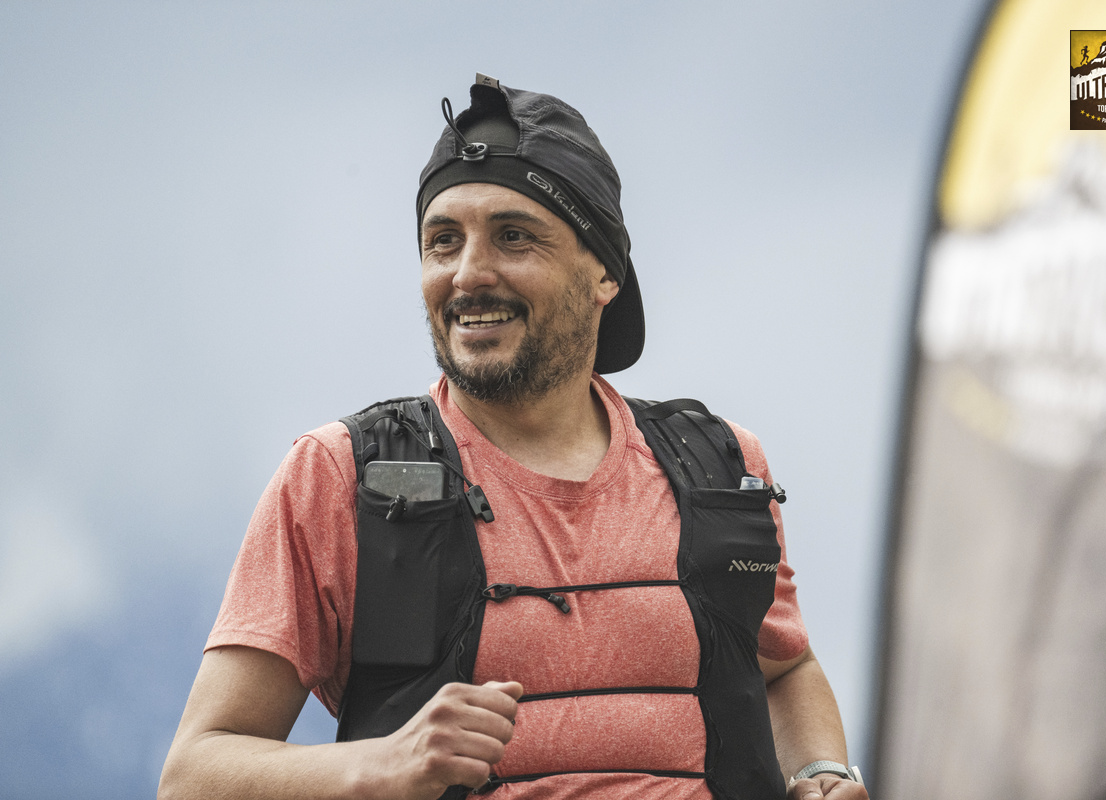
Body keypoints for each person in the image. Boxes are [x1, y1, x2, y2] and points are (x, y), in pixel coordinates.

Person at [158, 75, 869, 800]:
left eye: (514, 236)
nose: (469, 274)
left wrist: (821, 772)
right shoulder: (340, 476)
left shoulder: (720, 467)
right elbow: (191, 777)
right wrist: (380, 765)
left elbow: (783, 669)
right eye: (443, 242)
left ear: (604, 272)